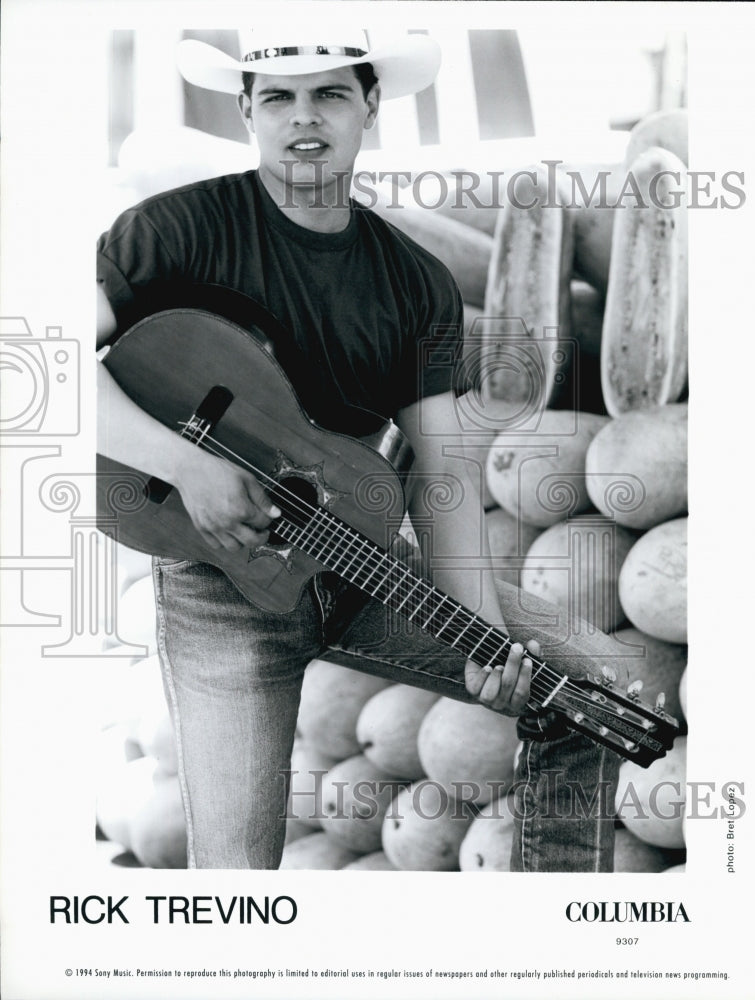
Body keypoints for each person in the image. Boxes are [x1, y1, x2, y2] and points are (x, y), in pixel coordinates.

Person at [97, 27, 621, 871]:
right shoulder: (170, 231)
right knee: (233, 877)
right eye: (278, 96)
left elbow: (443, 477)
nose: (304, 118)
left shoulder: (414, 279)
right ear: (245, 110)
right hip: (223, 587)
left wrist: (485, 639)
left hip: (365, 561)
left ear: (370, 105)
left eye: (330, 93)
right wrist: (185, 465)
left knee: (590, 683)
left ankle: (551, 937)